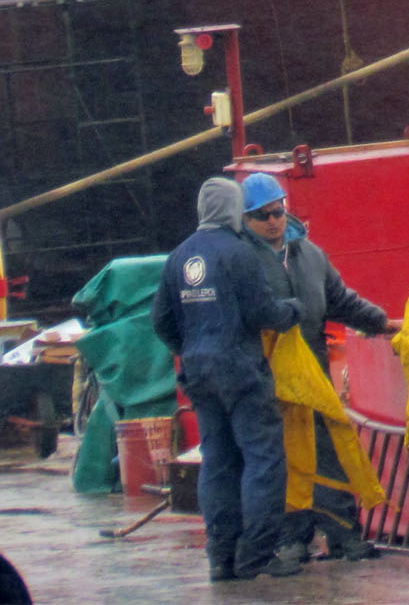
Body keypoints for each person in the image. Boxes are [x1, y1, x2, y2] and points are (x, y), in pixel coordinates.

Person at [238, 173, 394, 562]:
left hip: (315, 379)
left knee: (329, 454)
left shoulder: (311, 255)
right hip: (268, 384)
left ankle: (343, 534)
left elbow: (341, 300)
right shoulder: (239, 259)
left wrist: (381, 322)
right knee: (283, 462)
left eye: (278, 211)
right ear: (244, 219)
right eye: (261, 215)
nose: (273, 220)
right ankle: (291, 539)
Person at [151, 175, 301, 582]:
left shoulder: (178, 257)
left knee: (217, 461)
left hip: (199, 373)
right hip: (241, 369)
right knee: (263, 460)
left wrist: (193, 344)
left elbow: (161, 321)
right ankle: (256, 555)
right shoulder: (239, 253)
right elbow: (262, 313)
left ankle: (220, 558)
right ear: (234, 210)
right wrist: (292, 310)